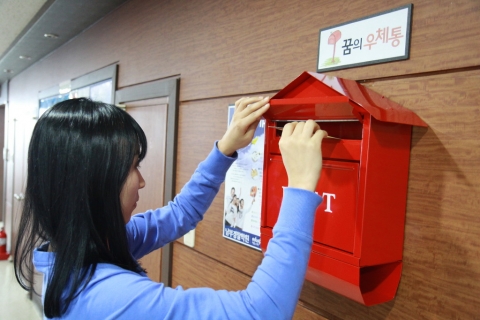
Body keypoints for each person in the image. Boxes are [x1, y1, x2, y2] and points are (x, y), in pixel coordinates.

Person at [14, 96, 327, 319]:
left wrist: (224, 148)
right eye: (132, 167)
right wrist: (299, 187)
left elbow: (180, 214)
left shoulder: (78, 249)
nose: (141, 181)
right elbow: (261, 313)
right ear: (91, 182)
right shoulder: (108, 297)